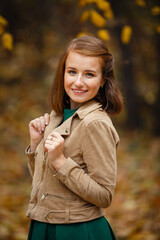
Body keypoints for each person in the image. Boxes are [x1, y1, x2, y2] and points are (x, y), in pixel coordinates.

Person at [26, 35, 123, 240]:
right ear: (62, 73)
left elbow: (104, 195)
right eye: (72, 72)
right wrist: (36, 144)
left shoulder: (95, 124)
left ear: (103, 80)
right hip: (44, 225)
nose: (78, 82)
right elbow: (46, 182)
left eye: (89, 74)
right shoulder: (57, 116)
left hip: (76, 231)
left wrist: (62, 162)